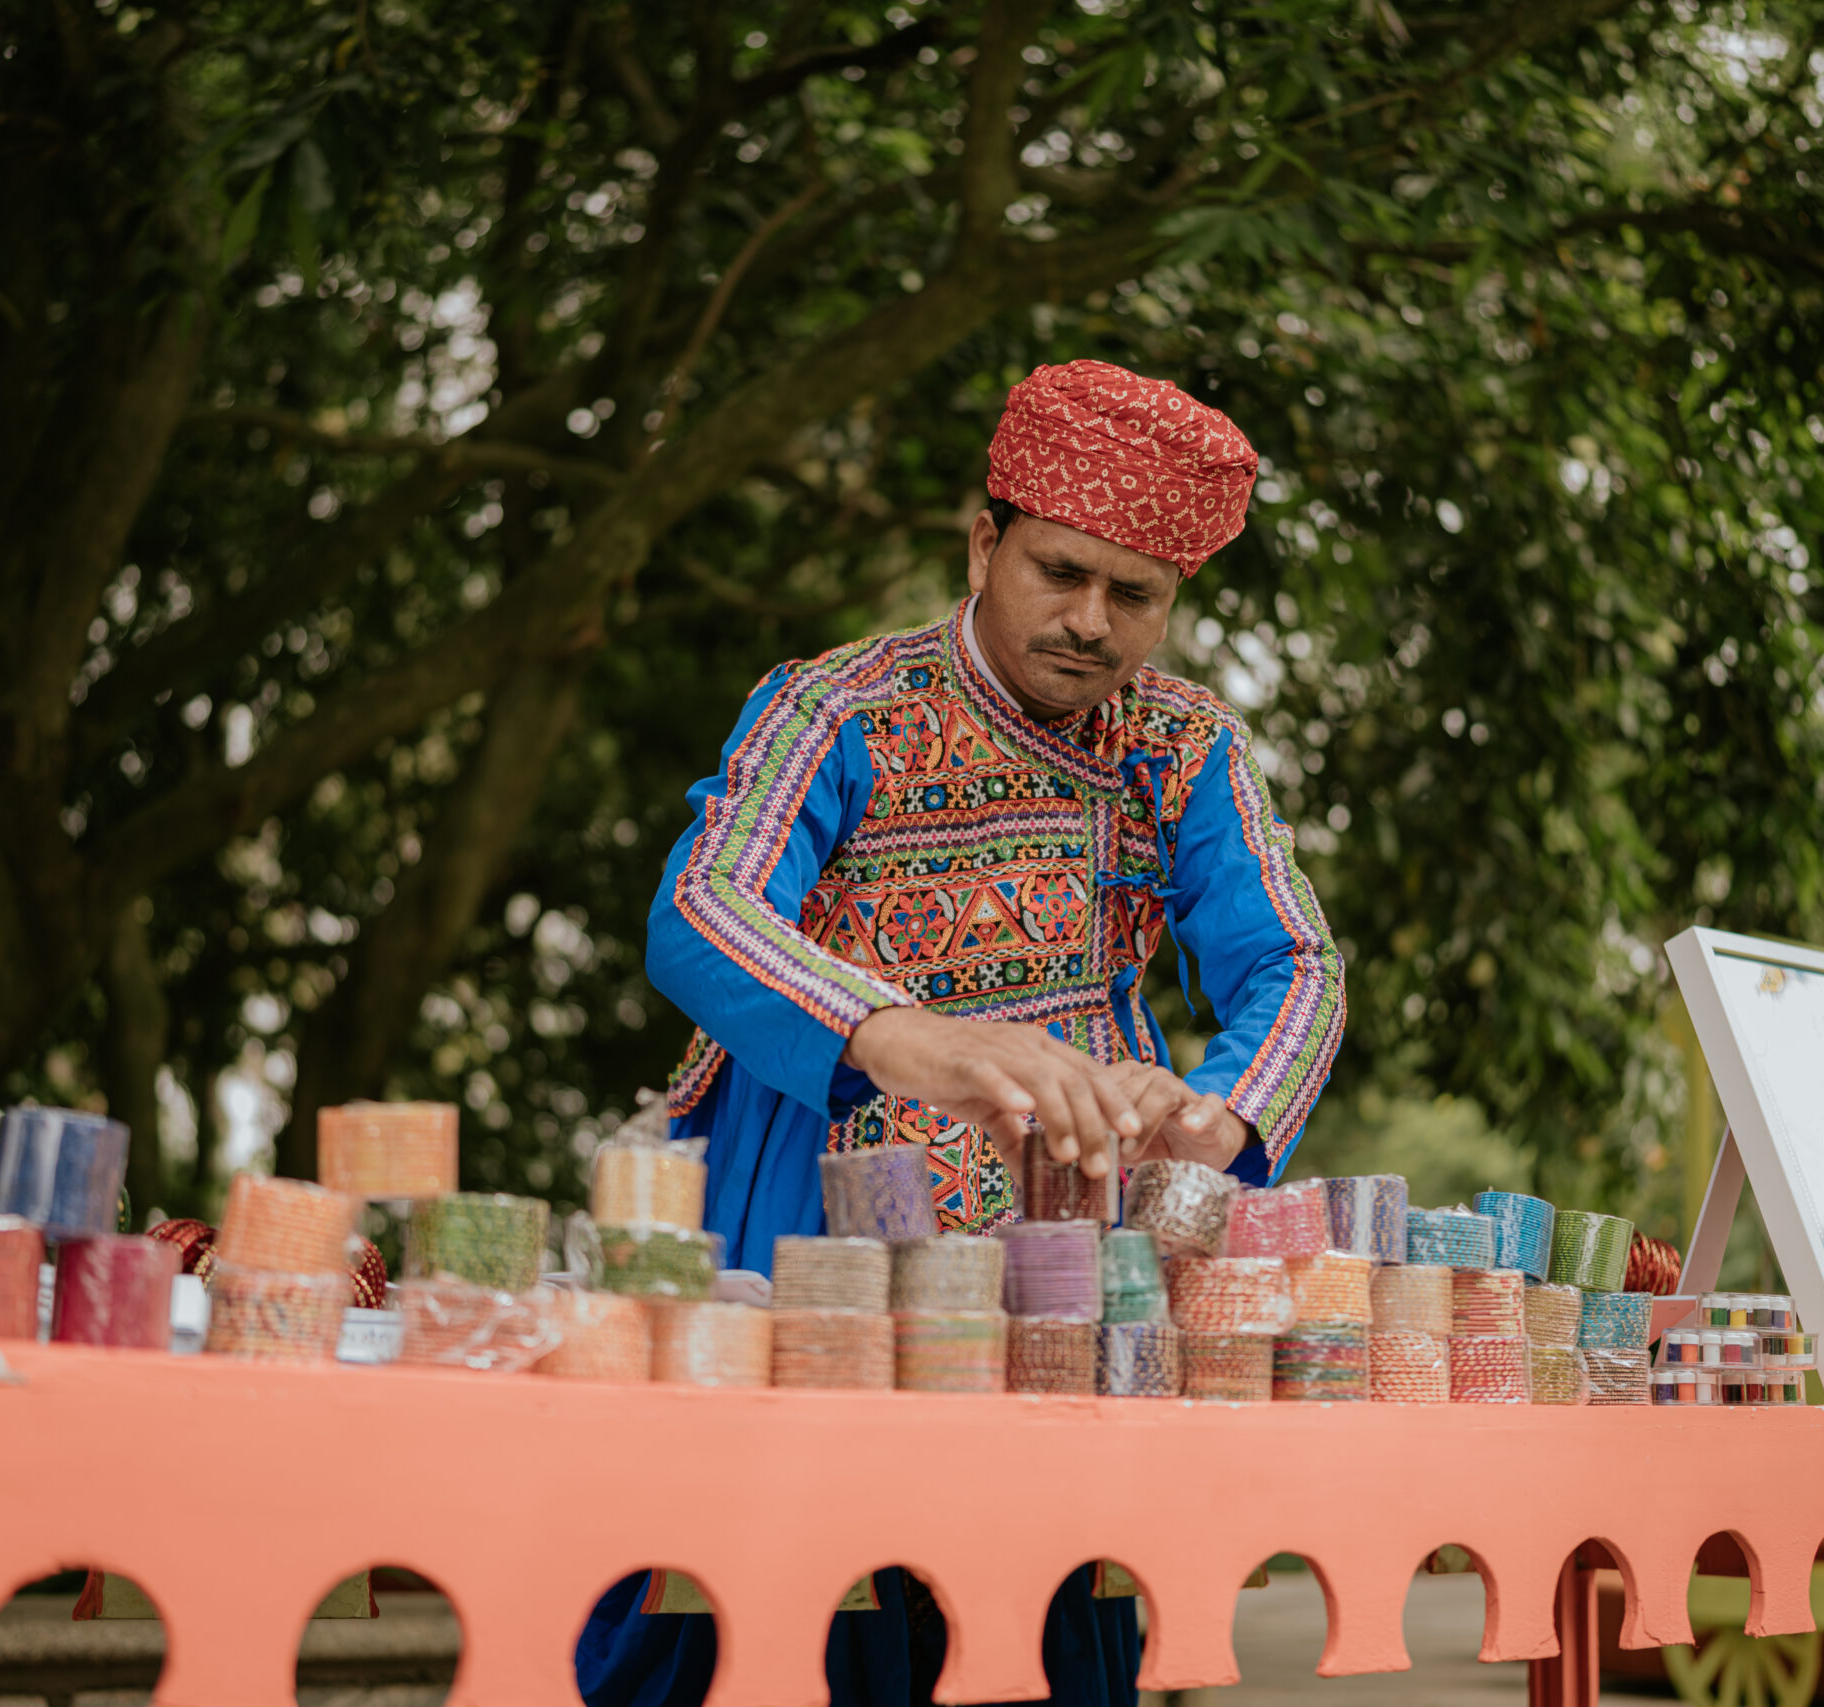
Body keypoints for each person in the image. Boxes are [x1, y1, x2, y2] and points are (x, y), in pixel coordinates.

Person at [575, 359, 1347, 1707]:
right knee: (763, 1602)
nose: (1091, 621)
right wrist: (897, 1034)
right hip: (807, 1210)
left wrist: (1216, 1120)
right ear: (984, 543)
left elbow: (1296, 966)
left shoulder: (1187, 748)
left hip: (1067, 1250)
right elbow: (700, 908)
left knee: (1043, 1613)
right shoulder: (839, 705)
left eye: (1135, 594)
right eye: (1061, 572)